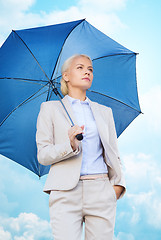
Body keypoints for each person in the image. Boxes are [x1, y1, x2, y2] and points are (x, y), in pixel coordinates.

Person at [36, 54, 125, 240]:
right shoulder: (49, 109)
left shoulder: (104, 112)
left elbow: (114, 153)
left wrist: (116, 187)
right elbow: (43, 155)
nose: (87, 71)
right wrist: (69, 144)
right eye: (80, 67)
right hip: (65, 192)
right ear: (66, 76)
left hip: (101, 190)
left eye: (90, 69)